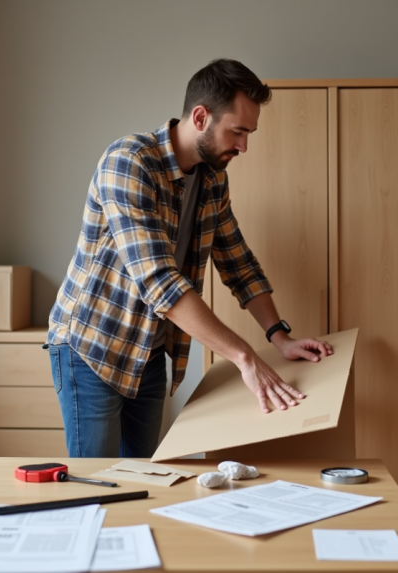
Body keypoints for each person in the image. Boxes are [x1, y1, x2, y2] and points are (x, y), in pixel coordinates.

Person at [46, 58, 333, 458]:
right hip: (93, 348)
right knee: (95, 488)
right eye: (237, 131)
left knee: (141, 479)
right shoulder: (128, 163)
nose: (243, 146)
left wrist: (278, 337)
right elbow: (160, 283)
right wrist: (244, 358)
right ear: (200, 116)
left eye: (249, 133)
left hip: (149, 353)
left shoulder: (213, 179)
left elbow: (238, 263)